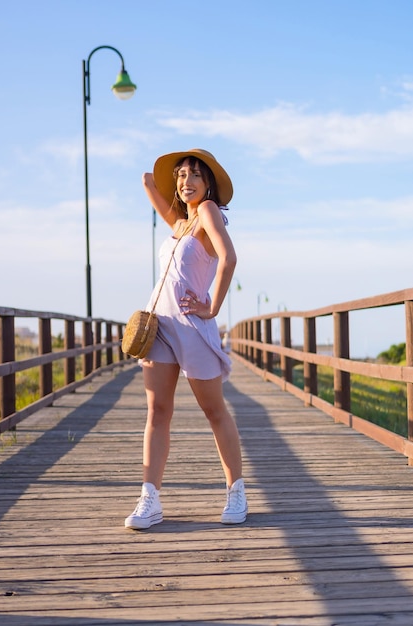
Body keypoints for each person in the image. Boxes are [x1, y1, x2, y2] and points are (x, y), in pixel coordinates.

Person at [124, 148, 247, 530]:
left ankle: (236, 491)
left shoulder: (207, 213)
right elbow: (148, 181)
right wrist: (156, 178)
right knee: (158, 412)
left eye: (195, 174)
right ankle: (150, 498)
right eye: (181, 176)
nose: (186, 181)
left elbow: (229, 258)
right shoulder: (178, 223)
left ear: (208, 183)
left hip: (193, 326)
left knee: (214, 412)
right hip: (159, 327)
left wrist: (213, 307)